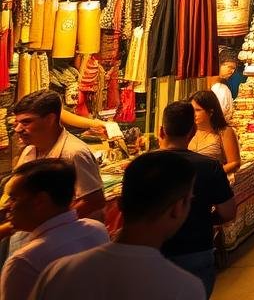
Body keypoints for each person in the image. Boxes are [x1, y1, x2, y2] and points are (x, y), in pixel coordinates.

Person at [30, 151, 203, 300]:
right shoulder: (184, 288)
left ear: (119, 203)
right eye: (189, 201)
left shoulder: (59, 272)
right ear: (178, 208)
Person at [2, 90, 105, 250]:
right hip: (30, 236)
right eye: (17, 123)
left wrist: (48, 224)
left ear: (50, 119)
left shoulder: (74, 153)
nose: (18, 129)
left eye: (26, 122)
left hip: (62, 242)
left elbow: (94, 200)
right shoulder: (29, 151)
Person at [159, 101, 238, 297]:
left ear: (161, 131)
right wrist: (204, 218)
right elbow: (228, 212)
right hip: (196, 249)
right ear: (193, 131)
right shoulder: (209, 166)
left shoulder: (140, 166)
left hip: (153, 253)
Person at [0, 159, 109, 300]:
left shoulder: (24, 262)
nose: (6, 206)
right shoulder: (96, 230)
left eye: (13, 199)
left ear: (40, 201)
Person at [188, 89, 242, 175]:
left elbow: (235, 163)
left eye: (198, 110)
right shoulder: (188, 131)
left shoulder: (224, 131)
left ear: (210, 112)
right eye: (192, 110)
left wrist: (212, 175)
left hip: (213, 183)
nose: (194, 114)